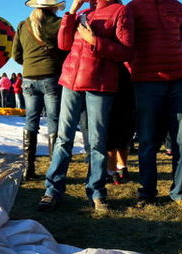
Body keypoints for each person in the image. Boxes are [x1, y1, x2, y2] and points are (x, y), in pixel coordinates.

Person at [40, 0, 133, 213]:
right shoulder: (82, 12)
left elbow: (126, 51)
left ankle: (97, 191)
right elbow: (63, 44)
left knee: (98, 141)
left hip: (100, 84)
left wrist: (95, 40)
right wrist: (71, 11)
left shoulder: (121, 11)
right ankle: (53, 190)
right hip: (71, 81)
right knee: (63, 138)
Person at [124, 0, 182, 207]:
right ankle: (147, 191)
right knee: (147, 139)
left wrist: (175, 60)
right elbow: (127, 43)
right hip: (146, 81)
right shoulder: (133, 8)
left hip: (178, 79)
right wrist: (136, 70)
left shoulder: (178, 6)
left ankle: (179, 191)